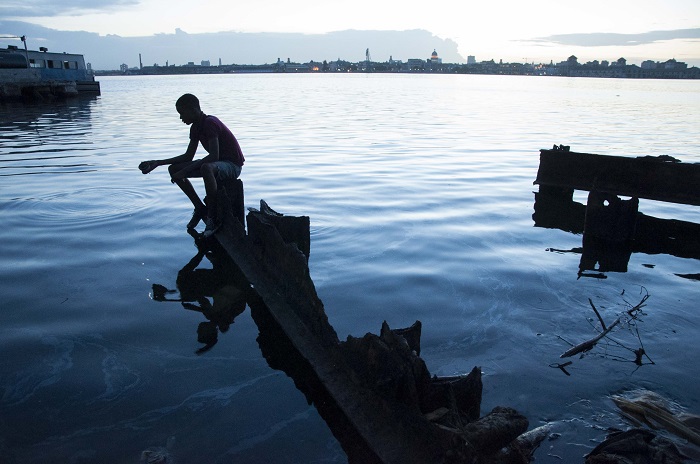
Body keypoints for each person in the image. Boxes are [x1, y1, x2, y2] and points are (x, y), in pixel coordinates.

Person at [139, 93, 244, 237]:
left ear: (193, 109)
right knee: (174, 169)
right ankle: (200, 208)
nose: (181, 118)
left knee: (206, 168)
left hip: (232, 166)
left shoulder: (210, 123)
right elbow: (188, 156)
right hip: (217, 164)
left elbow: (214, 156)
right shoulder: (195, 128)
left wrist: (185, 171)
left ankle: (212, 217)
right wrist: (158, 163)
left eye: (182, 113)